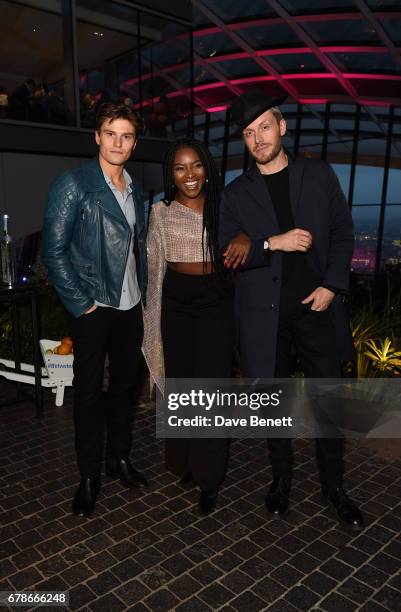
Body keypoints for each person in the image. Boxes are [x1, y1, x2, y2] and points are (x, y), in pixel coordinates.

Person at [219, 88, 364, 530]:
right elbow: (228, 251)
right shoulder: (235, 194)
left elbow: (341, 231)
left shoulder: (318, 176)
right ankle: (281, 481)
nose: (258, 138)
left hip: (316, 309)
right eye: (248, 133)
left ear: (282, 127)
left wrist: (332, 285)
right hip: (266, 318)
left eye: (264, 126)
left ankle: (334, 487)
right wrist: (269, 243)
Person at [42, 103, 148, 517]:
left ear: (134, 142)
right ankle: (89, 477)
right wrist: (82, 303)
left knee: (125, 387)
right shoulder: (74, 184)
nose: (118, 142)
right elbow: (53, 252)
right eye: (110, 133)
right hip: (93, 306)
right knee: (88, 394)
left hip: (130, 305)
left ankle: (117, 457)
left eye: (126, 135)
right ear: (97, 137)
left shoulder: (136, 188)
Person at [142, 139, 235, 515]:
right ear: (171, 174)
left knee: (210, 386)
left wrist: (244, 236)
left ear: (207, 169)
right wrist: (153, 325)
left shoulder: (225, 208)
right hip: (177, 300)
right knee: (182, 382)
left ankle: (210, 478)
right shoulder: (160, 212)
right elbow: (154, 271)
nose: (190, 175)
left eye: (196, 165)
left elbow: (247, 241)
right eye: (180, 168)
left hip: (215, 300)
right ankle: (185, 461)